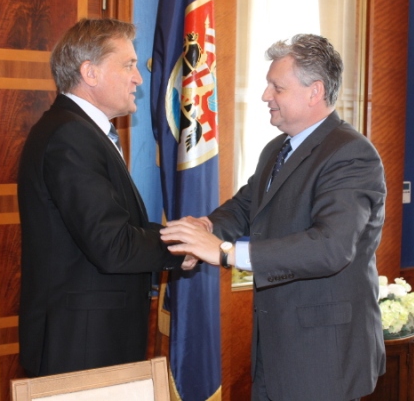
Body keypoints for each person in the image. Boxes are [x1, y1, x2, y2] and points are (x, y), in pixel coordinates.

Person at [161, 34, 387, 400]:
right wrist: (205, 229)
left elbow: (330, 247)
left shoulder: (351, 154)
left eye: (277, 87)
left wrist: (224, 252)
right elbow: (245, 206)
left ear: (315, 92)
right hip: (275, 346)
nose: (266, 95)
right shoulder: (276, 149)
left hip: (323, 358)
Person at [17, 18, 189, 377]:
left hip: (91, 337)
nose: (138, 78)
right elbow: (112, 244)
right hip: (81, 344)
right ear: (90, 73)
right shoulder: (71, 136)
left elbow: (117, 226)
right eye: (128, 65)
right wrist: (183, 246)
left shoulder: (80, 131)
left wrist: (180, 235)